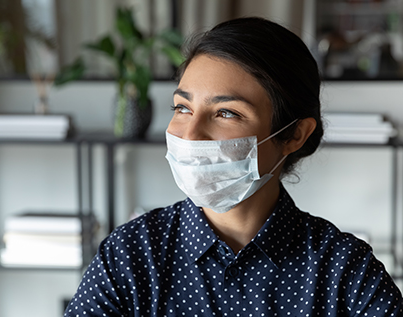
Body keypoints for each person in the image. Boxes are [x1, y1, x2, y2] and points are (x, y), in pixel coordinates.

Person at [64, 17, 403, 316]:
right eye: (182, 108)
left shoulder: (346, 272)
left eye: (227, 113)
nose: (191, 134)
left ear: (295, 134)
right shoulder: (131, 256)